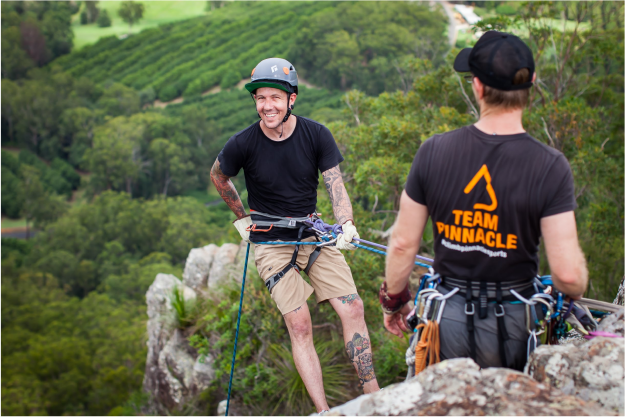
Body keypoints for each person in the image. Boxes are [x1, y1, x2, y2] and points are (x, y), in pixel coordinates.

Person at [380, 31, 588, 371]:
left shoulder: (434, 151)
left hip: (445, 321)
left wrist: (394, 301)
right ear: (530, 82)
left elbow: (403, 243)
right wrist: (575, 282)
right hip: (517, 326)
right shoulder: (550, 165)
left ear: (477, 86)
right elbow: (567, 275)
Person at [211, 57, 380, 412]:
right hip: (271, 241)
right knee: (300, 323)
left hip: (311, 232)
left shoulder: (315, 134)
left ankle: (374, 398)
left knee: (353, 308)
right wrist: (243, 217)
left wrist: (345, 223)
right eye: (260, 98)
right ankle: (324, 411)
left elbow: (335, 185)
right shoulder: (243, 143)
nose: (266, 105)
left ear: (292, 99)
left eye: (275, 97)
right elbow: (219, 175)